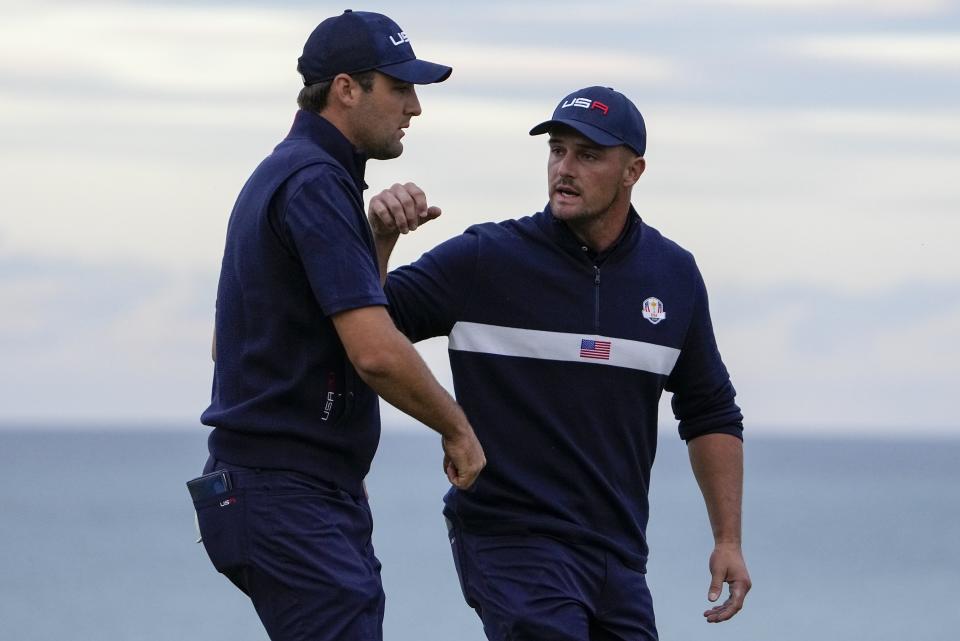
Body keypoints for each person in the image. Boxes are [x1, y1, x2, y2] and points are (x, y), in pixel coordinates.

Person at [369, 86, 750, 640]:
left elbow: (711, 412)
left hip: (616, 551)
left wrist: (728, 540)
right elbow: (369, 327)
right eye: (557, 150)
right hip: (510, 538)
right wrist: (380, 240)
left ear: (632, 171)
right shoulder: (485, 258)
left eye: (588, 155)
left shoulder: (673, 275)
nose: (564, 168)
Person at [190, 10, 485, 641]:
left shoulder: (296, 174)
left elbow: (242, 338)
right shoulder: (315, 183)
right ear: (347, 89)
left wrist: (377, 240)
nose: (415, 107)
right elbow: (374, 353)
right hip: (286, 498)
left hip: (285, 492)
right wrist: (457, 428)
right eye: (400, 87)